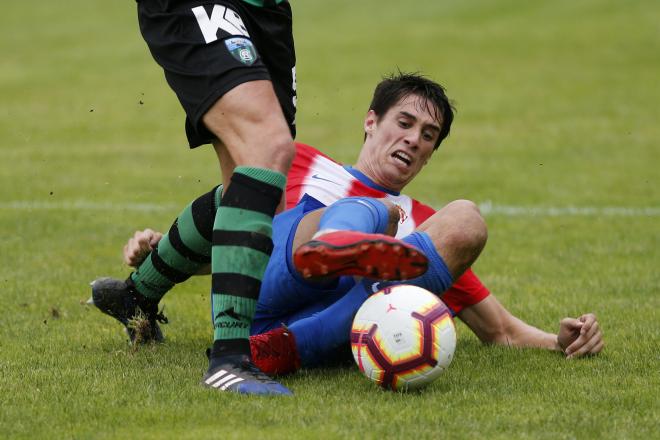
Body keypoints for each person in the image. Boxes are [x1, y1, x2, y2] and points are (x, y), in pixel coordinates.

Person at [96, 73, 603, 379]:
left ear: (431, 153)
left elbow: (502, 332)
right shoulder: (298, 161)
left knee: (465, 217)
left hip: (299, 336)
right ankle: (338, 241)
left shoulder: (423, 225)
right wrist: (166, 254)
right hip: (266, 297)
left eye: (428, 135)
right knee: (371, 210)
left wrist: (562, 341)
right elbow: (245, 238)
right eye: (404, 122)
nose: (413, 140)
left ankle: (288, 346)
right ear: (371, 121)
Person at [96, 0, 302, 395]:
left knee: (262, 197)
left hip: (266, 10)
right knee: (268, 146)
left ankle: (137, 295)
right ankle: (229, 359)